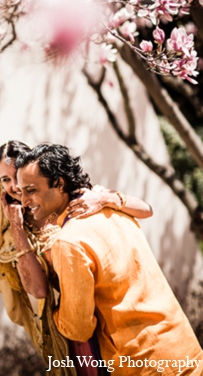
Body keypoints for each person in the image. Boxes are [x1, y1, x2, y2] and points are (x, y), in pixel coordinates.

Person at [16, 143, 203, 376]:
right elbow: (145, 209)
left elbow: (78, 328)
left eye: (31, 190)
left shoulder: (69, 242)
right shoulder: (112, 206)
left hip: (144, 365)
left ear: (59, 184)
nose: (23, 201)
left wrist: (55, 312)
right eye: (20, 191)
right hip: (184, 348)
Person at [0, 140, 153, 375]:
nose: (15, 186)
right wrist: (17, 227)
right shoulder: (16, 233)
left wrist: (105, 199)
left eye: (17, 176)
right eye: (5, 180)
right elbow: (39, 290)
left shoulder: (79, 198)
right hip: (79, 323)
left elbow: (146, 209)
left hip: (119, 308)